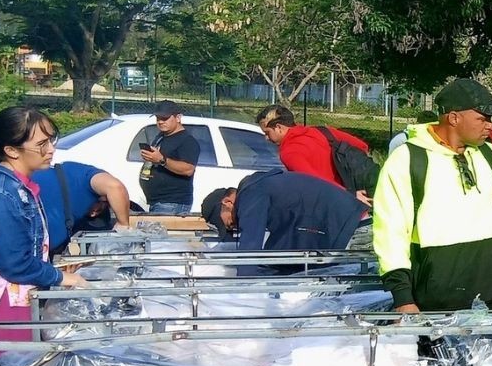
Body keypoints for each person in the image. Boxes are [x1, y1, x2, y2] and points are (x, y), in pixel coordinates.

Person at [369, 78, 492, 314]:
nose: (490, 126)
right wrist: (402, 297)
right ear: (454, 118)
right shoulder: (408, 159)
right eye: (482, 118)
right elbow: (391, 231)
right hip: (434, 301)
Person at [0, 106, 88, 342]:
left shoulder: (18, 187)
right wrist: (61, 277)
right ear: (12, 150)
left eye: (51, 140)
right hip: (0, 306)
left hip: (17, 300)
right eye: (41, 144)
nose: (51, 149)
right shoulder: (2, 194)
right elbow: (13, 263)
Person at [200, 170, 370, 276]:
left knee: (357, 285)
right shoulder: (263, 186)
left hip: (349, 226)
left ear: (227, 203)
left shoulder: (251, 195)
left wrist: (243, 288)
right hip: (348, 219)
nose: (231, 227)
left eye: (226, 222)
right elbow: (283, 237)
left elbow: (250, 245)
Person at [255, 105, 372, 202]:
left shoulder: (289, 152)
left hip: (336, 208)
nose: (266, 138)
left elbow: (315, 182)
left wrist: (350, 195)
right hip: (363, 202)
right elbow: (362, 146)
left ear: (278, 127)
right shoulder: (322, 131)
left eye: (267, 132)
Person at [31, 162, 131, 254]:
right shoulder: (81, 177)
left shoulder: (74, 172)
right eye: (100, 209)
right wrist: (123, 225)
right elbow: (115, 187)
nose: (93, 213)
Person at [139, 100, 199, 214]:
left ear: (178, 117)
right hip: (158, 202)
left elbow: (188, 169)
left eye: (165, 118)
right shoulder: (161, 136)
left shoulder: (187, 141)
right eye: (158, 118)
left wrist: (162, 160)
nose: (161, 122)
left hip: (172, 203)